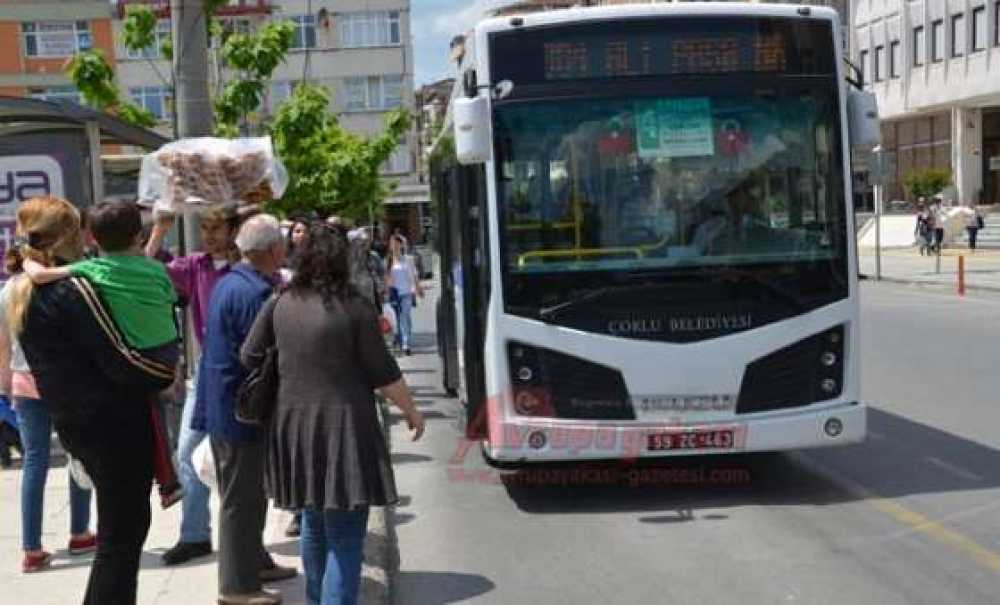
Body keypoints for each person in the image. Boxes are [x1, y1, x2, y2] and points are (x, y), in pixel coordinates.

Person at [242, 224, 425, 605]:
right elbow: (383, 371)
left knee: (314, 524)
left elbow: (249, 354)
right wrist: (411, 412)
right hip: (345, 428)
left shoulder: (280, 300)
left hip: (292, 428)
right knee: (344, 534)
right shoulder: (354, 305)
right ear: (343, 261)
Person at [11, 196, 175, 603]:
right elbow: (117, 357)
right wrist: (161, 374)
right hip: (112, 424)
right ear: (74, 235)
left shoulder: (25, 291)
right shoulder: (72, 291)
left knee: (120, 533)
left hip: (79, 423)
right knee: (123, 537)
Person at [22, 201, 183, 508]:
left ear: (91, 239)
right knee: (159, 415)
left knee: (149, 408)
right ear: (138, 235)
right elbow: (165, 290)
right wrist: (159, 232)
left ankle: (166, 479)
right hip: (167, 353)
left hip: (136, 357)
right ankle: (169, 479)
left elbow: (41, 276)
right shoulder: (156, 270)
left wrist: (25, 258)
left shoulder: (92, 270)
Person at [195, 214, 296, 605]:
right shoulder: (254, 294)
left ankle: (256, 561)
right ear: (272, 250)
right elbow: (264, 356)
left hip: (230, 406)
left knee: (251, 494)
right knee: (241, 499)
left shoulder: (232, 282)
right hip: (242, 411)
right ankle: (237, 586)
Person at [146, 206, 241, 566]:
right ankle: (195, 535)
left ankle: (292, 514)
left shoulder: (250, 266)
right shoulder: (194, 265)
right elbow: (142, 268)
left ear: (233, 228)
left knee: (250, 458)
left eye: (217, 227)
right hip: (208, 370)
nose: (210, 234)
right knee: (186, 451)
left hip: (247, 371)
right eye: (205, 227)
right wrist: (160, 228)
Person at [0, 246, 96, 573]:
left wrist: (6, 386)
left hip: (24, 382)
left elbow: (3, 346)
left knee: (34, 459)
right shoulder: (64, 284)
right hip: (64, 381)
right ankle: (80, 532)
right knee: (77, 453)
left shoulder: (9, 290)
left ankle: (31, 548)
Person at [385, 234, 423, 355]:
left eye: (397, 243)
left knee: (404, 316)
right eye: (392, 244)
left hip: (407, 292)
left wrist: (418, 288)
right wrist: (386, 291)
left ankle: (406, 344)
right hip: (394, 293)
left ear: (401, 245)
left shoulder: (408, 259)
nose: (395, 246)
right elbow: (385, 278)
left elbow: (415, 275)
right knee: (399, 318)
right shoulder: (388, 261)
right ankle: (403, 339)